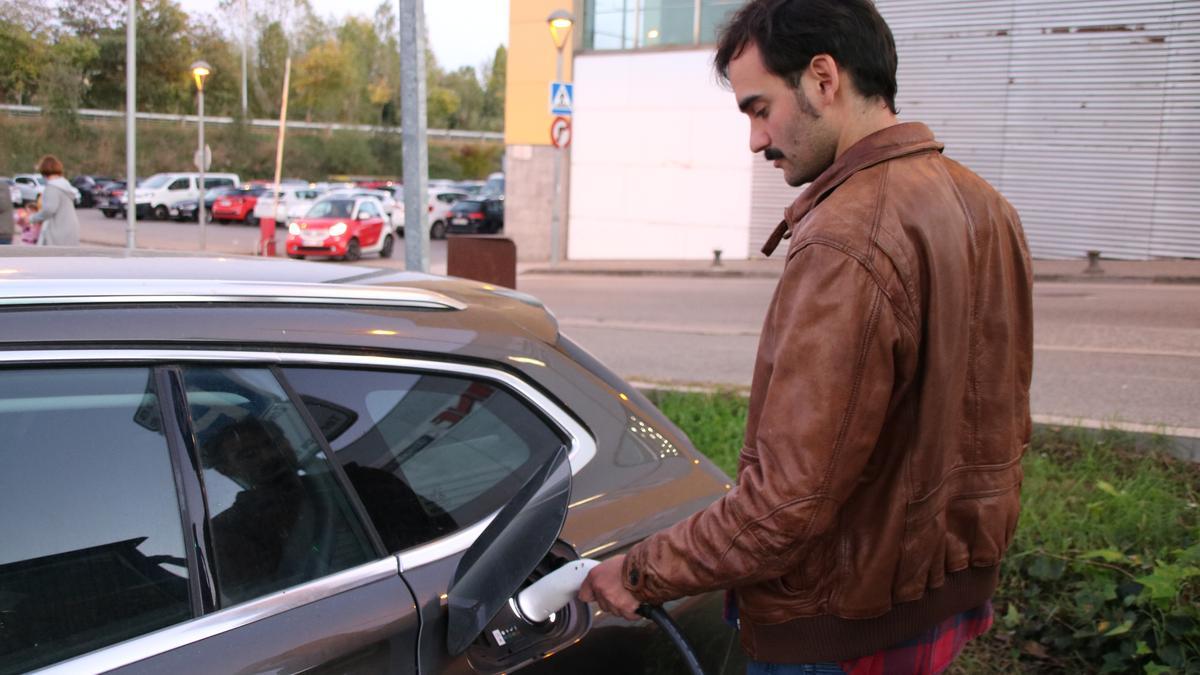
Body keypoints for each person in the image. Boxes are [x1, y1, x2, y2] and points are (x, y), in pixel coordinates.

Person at [579, 1, 1033, 673]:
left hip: (838, 625)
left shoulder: (847, 236)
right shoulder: (986, 206)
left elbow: (785, 503)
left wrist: (639, 573)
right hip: (935, 595)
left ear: (823, 78)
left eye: (759, 109)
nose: (756, 140)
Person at [29, 155, 80, 246]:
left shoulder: (52, 188)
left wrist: (32, 218)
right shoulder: (65, 185)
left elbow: (49, 210)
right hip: (70, 229)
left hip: (57, 231)